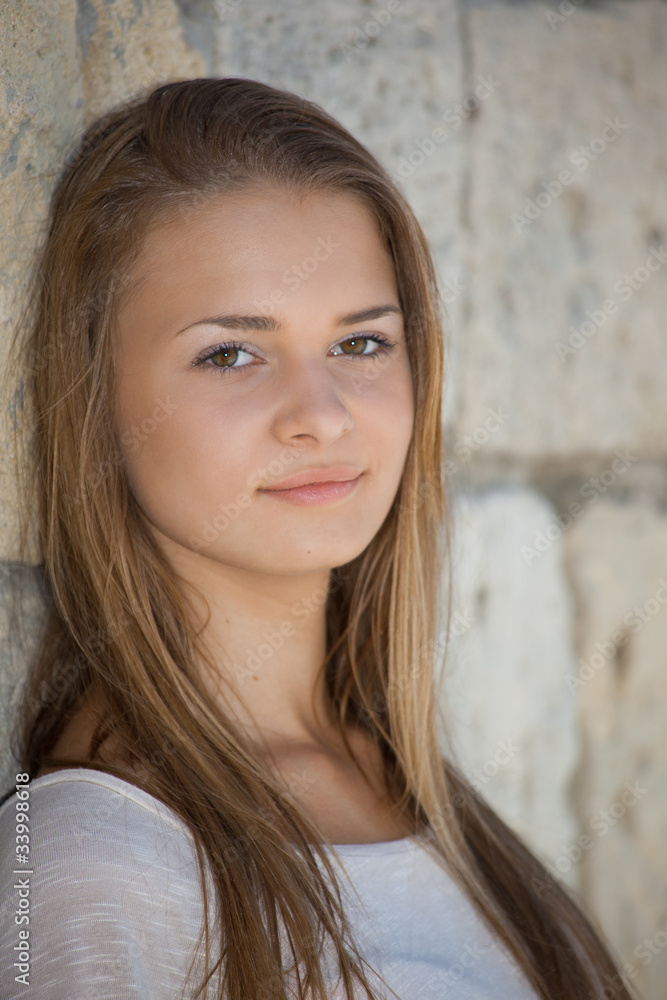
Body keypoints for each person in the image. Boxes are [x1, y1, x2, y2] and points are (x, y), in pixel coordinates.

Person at [0, 77, 638, 1000]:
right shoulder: (93, 873)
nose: (321, 417)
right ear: (95, 403)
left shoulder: (414, 788)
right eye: (231, 354)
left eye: (361, 344)